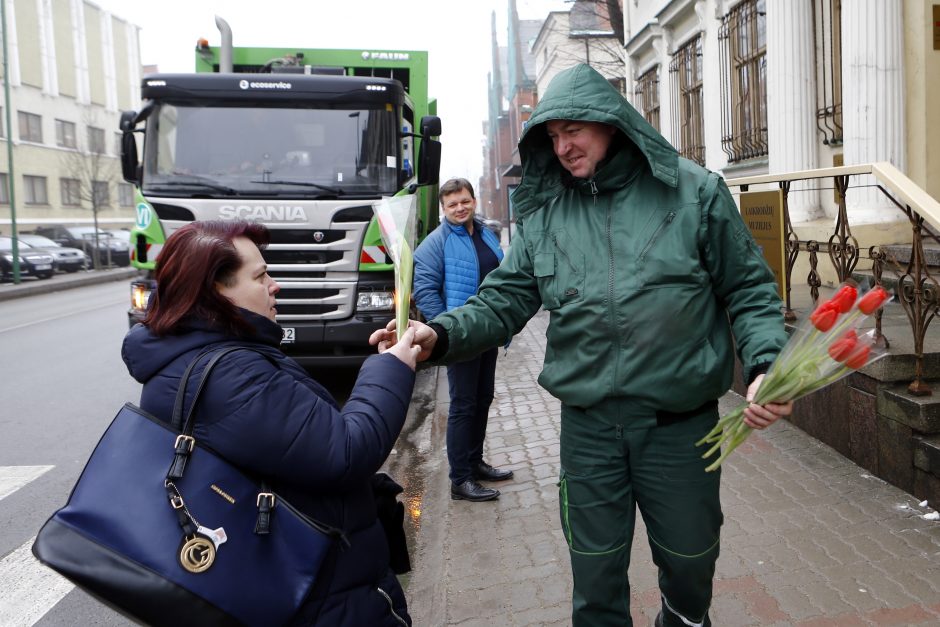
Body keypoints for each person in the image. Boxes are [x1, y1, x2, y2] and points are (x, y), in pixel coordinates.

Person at [371, 64, 793, 627]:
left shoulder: (695, 194)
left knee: (692, 563)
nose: (563, 146)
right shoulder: (547, 218)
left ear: (612, 123)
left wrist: (767, 362)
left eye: (574, 130)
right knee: (594, 578)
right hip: (590, 431)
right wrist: (438, 334)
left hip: (682, 428)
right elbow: (501, 302)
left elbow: (748, 287)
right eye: (552, 136)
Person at [122, 220, 419, 626]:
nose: (275, 285)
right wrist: (390, 368)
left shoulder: (195, 359)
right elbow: (346, 450)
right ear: (215, 292)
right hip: (317, 596)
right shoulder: (232, 377)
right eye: (260, 276)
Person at [413, 177, 511, 502]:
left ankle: (474, 461)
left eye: (464, 201)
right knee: (462, 405)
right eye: (452, 204)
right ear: (443, 208)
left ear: (473, 201)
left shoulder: (485, 233)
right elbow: (424, 290)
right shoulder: (435, 243)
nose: (460, 208)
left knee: (482, 398)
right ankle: (460, 479)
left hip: (487, 332)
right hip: (460, 336)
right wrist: (446, 330)